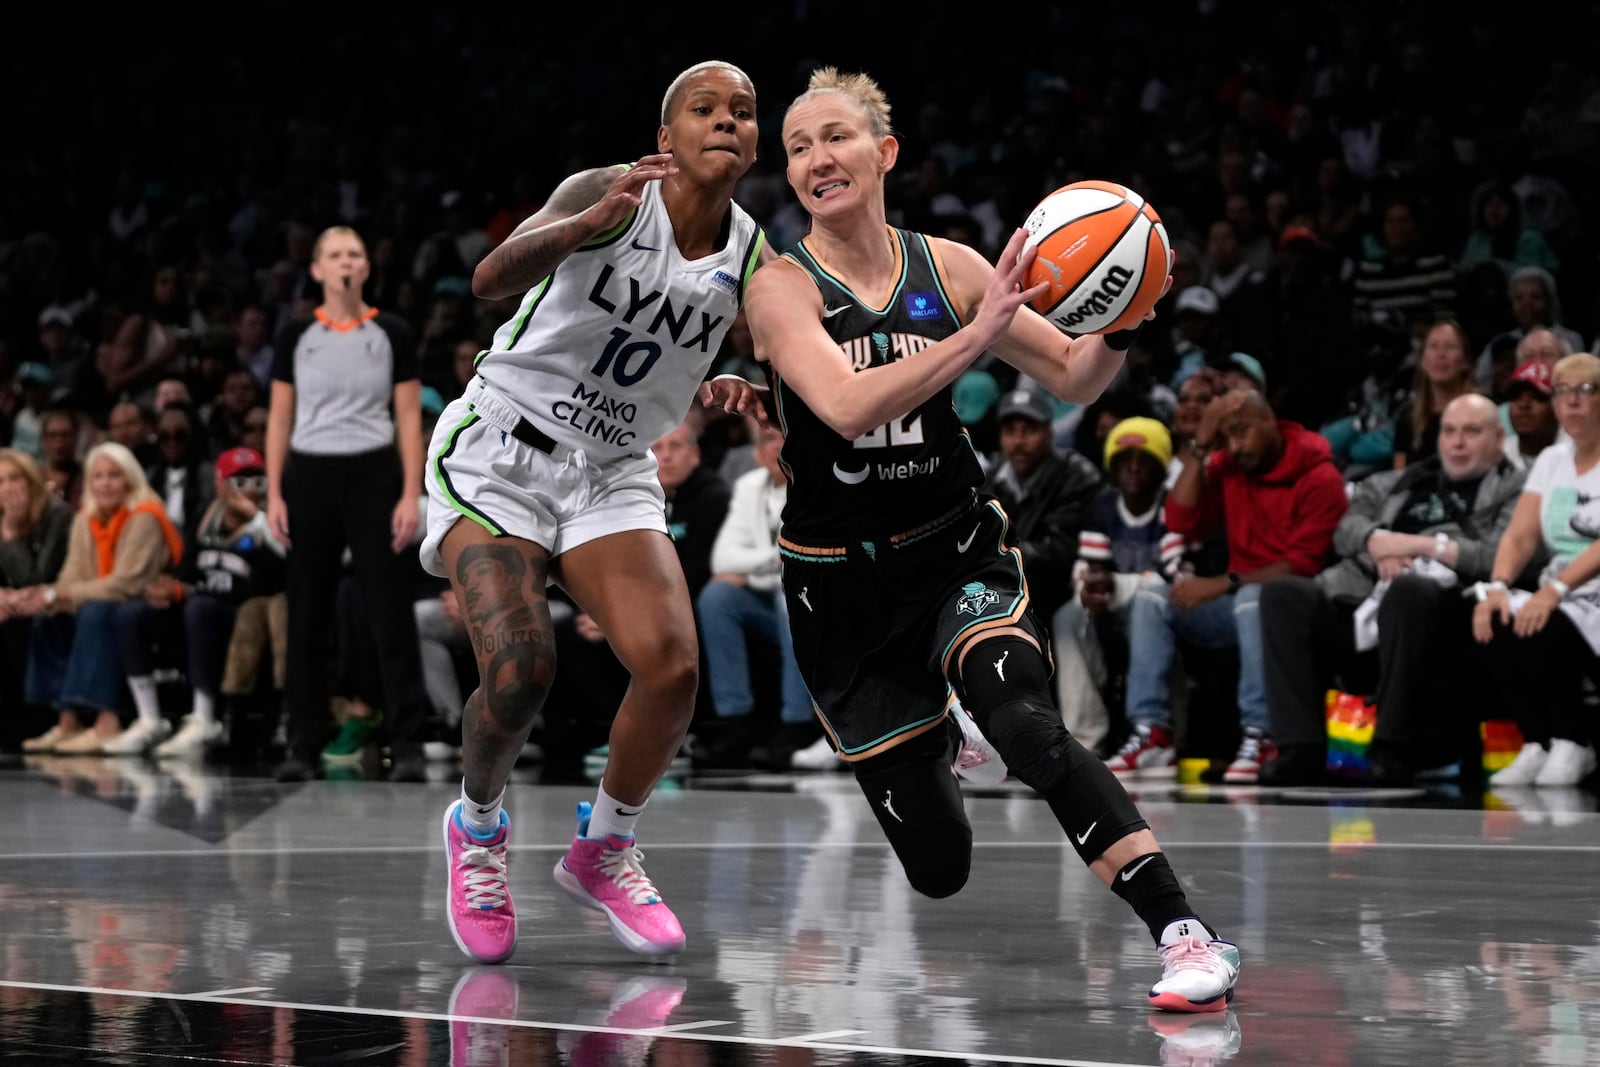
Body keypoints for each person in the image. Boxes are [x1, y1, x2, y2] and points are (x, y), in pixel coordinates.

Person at [738, 67, 1237, 1011]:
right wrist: (978, 338)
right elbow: (844, 408)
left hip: (954, 550)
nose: (813, 159)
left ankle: (1185, 934)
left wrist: (1128, 309)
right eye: (797, 147)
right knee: (939, 867)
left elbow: (1075, 379)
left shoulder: (958, 269)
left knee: (1027, 724)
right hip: (841, 595)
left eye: (834, 137)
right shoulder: (778, 289)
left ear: (883, 154)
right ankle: (938, 720)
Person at [419, 60, 771, 964]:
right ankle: (480, 826)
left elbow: (781, 347)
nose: (726, 121)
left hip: (612, 468)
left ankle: (604, 846)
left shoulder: (754, 254)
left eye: (743, 111)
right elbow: (490, 280)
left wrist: (744, 373)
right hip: (503, 450)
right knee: (521, 670)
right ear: (666, 136)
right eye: (705, 108)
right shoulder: (606, 189)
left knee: (671, 667)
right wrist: (586, 224)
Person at [1257, 395, 1525, 786]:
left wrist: (1422, 548)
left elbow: (1503, 553)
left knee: (1409, 591)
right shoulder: (1402, 480)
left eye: (1472, 431)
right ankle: (1301, 747)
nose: (1458, 442)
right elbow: (1345, 526)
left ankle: (1393, 747)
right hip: (1364, 592)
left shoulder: (1516, 487)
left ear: (1500, 438)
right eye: (1449, 431)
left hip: (1449, 607)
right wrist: (1375, 542)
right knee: (1282, 594)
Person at [1108, 390, 1347, 783]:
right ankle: (1153, 734)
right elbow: (1180, 520)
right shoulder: (1230, 467)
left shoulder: (1320, 475)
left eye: (1242, 433)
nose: (1235, 446)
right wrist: (1201, 444)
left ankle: (1262, 733)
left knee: (1256, 597)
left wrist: (1223, 582)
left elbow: (1303, 565)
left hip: (1302, 611)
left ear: (1269, 421)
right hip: (1239, 605)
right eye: (1228, 437)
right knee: (1153, 595)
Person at [266, 225, 432, 782]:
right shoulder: (295, 334)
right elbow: (280, 417)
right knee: (307, 611)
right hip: (310, 472)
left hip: (375, 472)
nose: (346, 262)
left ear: (366, 267)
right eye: (334, 254)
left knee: (389, 610)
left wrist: (410, 492)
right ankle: (302, 741)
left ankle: (407, 739)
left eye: (354, 253)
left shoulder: (391, 331)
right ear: (316, 270)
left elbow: (408, 415)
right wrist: (273, 491)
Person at [1472, 353, 1600, 788]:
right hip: (1563, 588)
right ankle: (1537, 739)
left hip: (1591, 591)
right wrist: (1497, 586)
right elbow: (1521, 536)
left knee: (1548, 619)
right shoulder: (1551, 460)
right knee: (1494, 615)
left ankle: (1574, 741)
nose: (1572, 402)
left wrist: (1556, 589)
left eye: (1585, 390)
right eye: (1563, 392)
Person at [14, 442, 183, 754]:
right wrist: (46, 597)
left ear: (130, 479)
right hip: (103, 601)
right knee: (49, 615)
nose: (105, 483)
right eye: (98, 476)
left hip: (149, 607)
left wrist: (60, 593)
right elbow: (72, 575)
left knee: (97, 612)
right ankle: (67, 722)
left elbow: (128, 583)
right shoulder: (85, 518)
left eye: (114, 476)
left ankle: (107, 723)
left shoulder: (144, 515)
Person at [139, 447, 288, 757]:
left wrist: (255, 520)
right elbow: (188, 570)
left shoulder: (273, 520)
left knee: (200, 608)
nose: (248, 490)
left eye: (256, 481)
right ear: (220, 485)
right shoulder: (205, 517)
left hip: (245, 608)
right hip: (203, 601)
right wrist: (170, 586)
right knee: (134, 614)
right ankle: (148, 718)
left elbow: (276, 578)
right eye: (239, 481)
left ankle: (205, 716)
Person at [695, 417, 818, 769]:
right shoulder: (750, 486)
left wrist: (755, 571)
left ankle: (796, 724)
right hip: (770, 595)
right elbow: (723, 559)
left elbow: (805, 567)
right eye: (766, 441)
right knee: (718, 597)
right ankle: (737, 723)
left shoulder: (814, 485)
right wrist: (775, 560)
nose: (774, 449)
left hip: (816, 608)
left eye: (781, 440)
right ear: (757, 452)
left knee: (789, 599)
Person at [0, 449, 74, 746]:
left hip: (57, 605)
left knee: (17, 626)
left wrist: (13, 533)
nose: (7, 487)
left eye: (15, 478)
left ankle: (32, 720)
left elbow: (38, 579)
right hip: (14, 608)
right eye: (0, 481)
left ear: (31, 481)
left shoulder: (58, 516)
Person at [1394, 320, 1478, 470]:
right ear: (1422, 361)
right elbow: (1399, 478)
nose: (1441, 354)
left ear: (1465, 361)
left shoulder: (1483, 410)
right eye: (1433, 346)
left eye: (1450, 346)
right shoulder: (1407, 417)